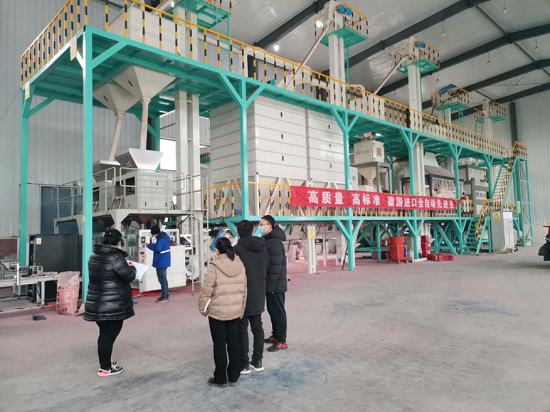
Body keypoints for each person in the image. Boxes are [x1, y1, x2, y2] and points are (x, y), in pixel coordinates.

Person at [84, 228, 137, 377]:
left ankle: (106, 363)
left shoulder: (94, 255)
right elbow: (128, 276)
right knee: (108, 336)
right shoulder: (115, 256)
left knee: (105, 334)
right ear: (119, 242)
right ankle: (105, 368)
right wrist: (132, 268)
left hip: (97, 302)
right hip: (112, 304)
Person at [199, 237, 247, 388]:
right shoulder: (239, 264)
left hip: (217, 313)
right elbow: (244, 289)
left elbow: (207, 290)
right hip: (235, 312)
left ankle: (220, 378)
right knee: (234, 344)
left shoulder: (214, 265)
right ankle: (234, 376)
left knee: (219, 346)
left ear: (217, 250)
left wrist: (203, 308)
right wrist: (241, 309)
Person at [234, 220, 269, 375]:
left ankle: (243, 364)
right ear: (253, 232)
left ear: (238, 233)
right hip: (258, 291)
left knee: (242, 328)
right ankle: (258, 361)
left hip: (242, 293)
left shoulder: (236, 250)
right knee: (257, 326)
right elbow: (267, 266)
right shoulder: (262, 247)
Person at [259, 215, 288, 352]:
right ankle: (275, 335)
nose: (260, 227)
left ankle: (282, 341)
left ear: (269, 226)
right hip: (271, 285)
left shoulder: (274, 242)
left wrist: (270, 286)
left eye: (262, 224)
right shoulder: (268, 240)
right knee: (273, 311)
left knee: (278, 313)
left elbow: (275, 267)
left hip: (275, 285)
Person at [147, 225, 171, 303]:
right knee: (163, 279)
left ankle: (165, 296)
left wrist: (149, 245)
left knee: (162, 279)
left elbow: (158, 249)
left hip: (161, 262)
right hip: (163, 261)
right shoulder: (164, 237)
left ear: (154, 233)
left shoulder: (161, 239)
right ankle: (165, 295)